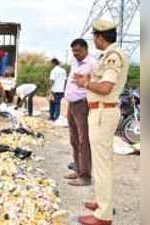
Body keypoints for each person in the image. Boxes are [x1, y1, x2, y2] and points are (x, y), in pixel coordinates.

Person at [75, 19, 129, 225]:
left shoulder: (113, 57)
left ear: (99, 37)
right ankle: (101, 201)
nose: (94, 40)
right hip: (101, 113)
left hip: (103, 114)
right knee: (101, 162)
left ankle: (103, 215)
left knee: (101, 164)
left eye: (94, 37)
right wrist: (89, 80)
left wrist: (86, 83)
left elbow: (106, 87)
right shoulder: (109, 55)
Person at [64, 38, 96, 187]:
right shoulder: (74, 62)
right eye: (73, 51)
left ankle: (85, 176)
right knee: (74, 140)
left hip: (82, 104)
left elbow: (96, 83)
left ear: (85, 49)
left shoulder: (92, 64)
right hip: (71, 104)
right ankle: (77, 169)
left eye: (78, 51)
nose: (75, 53)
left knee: (84, 141)